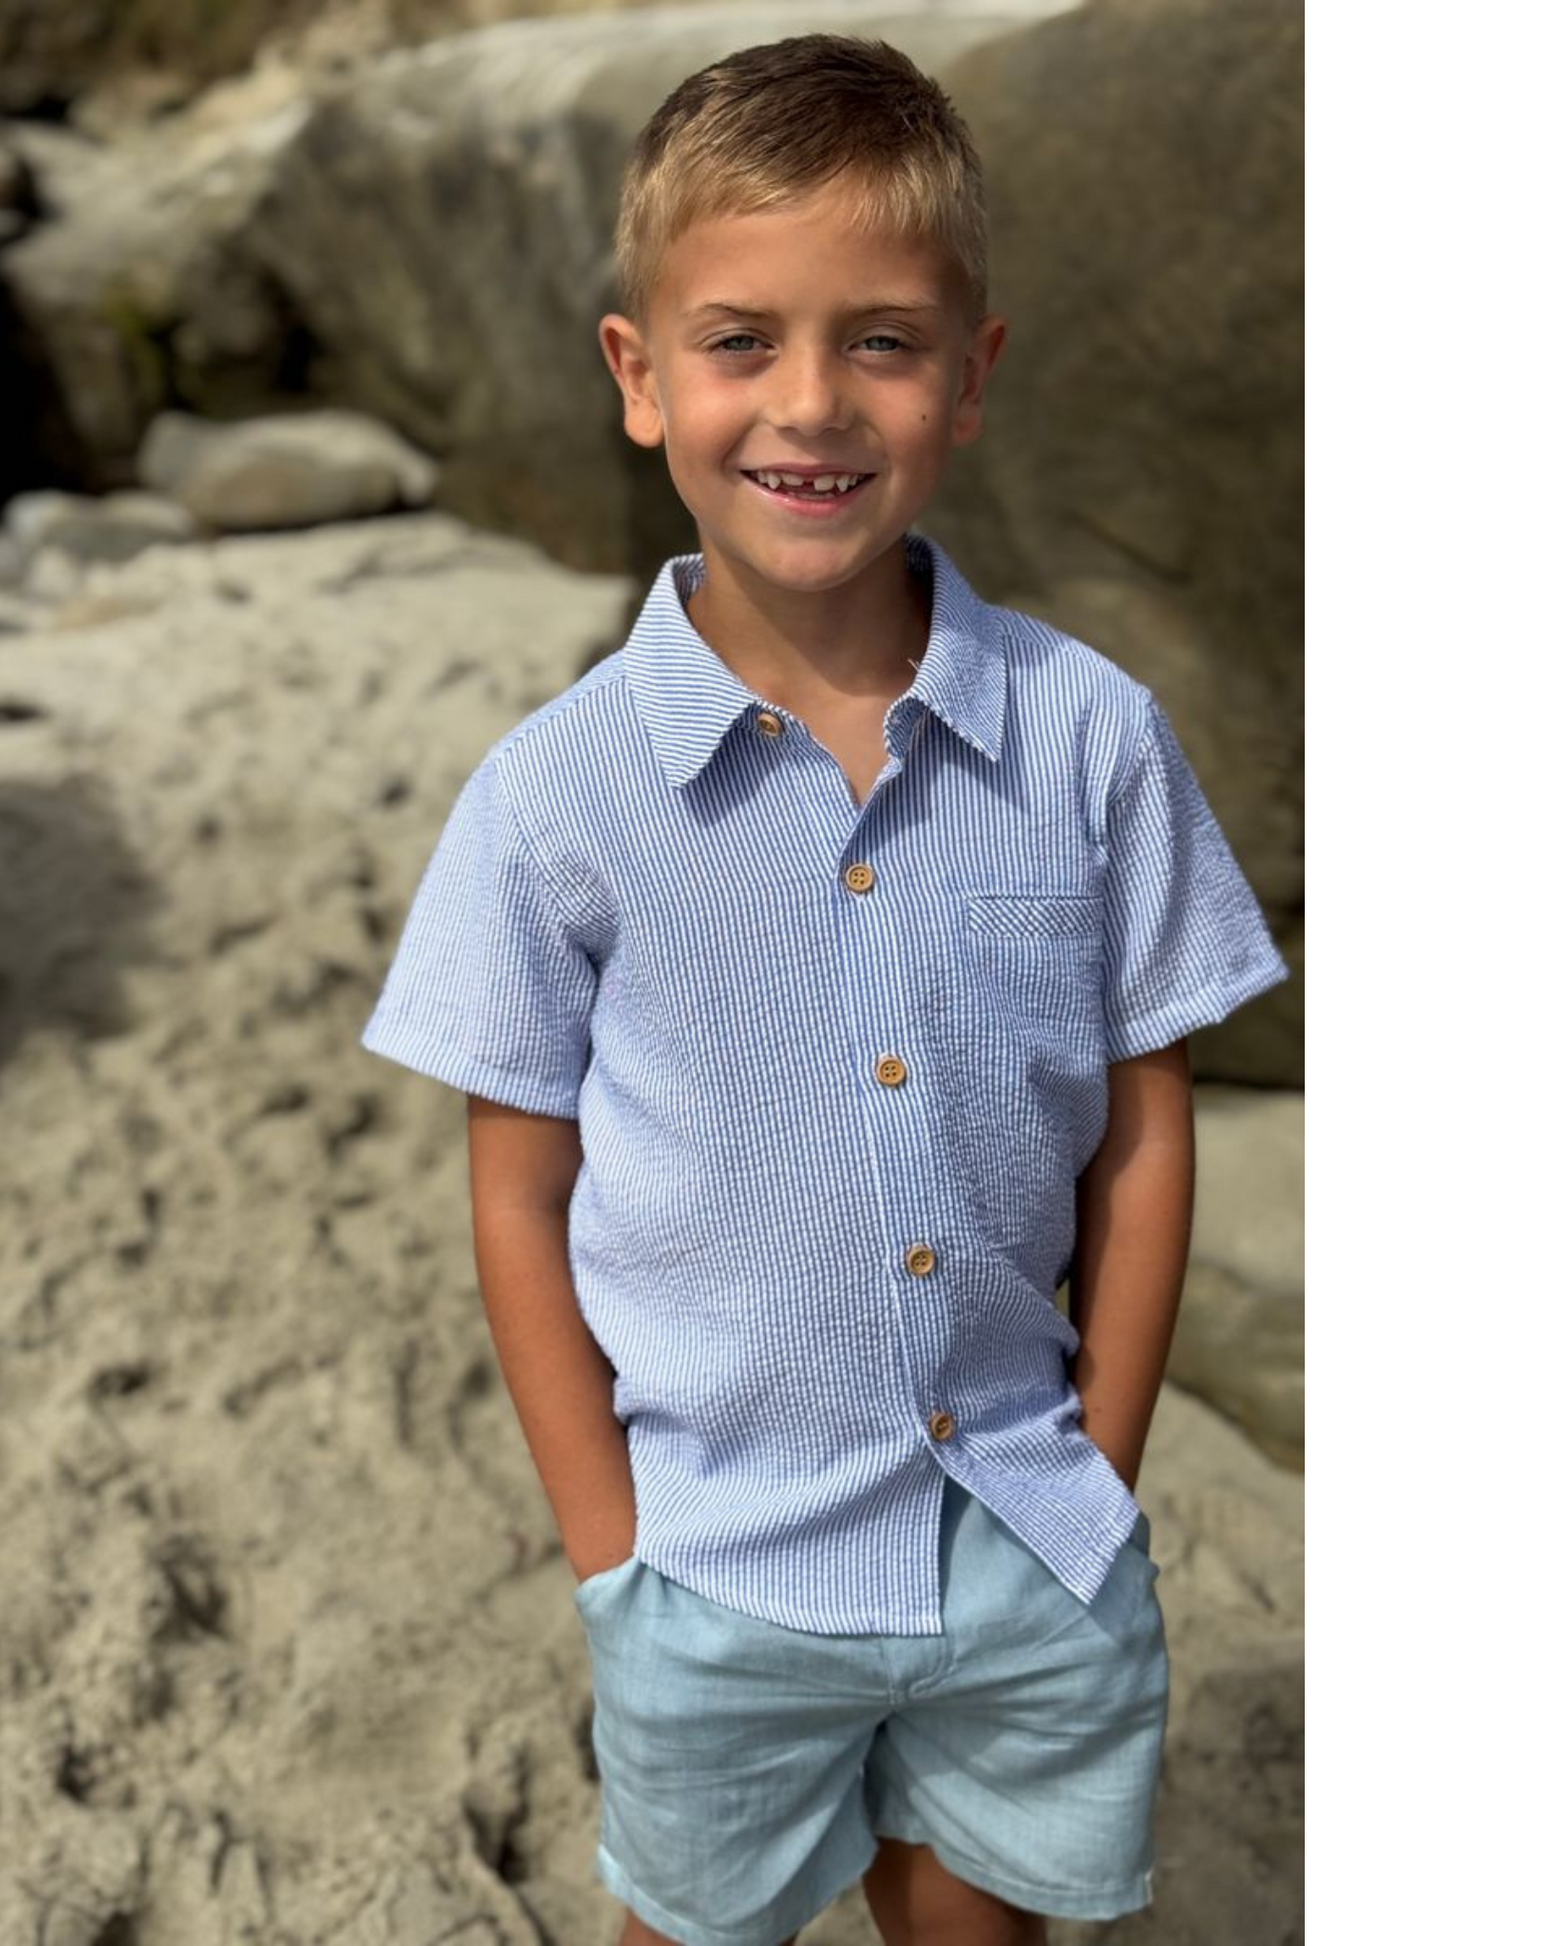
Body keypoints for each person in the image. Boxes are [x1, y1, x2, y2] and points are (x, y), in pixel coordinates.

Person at [361, 33, 1288, 1946]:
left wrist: (1099, 1468)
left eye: (880, 340)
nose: (809, 401)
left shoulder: (1092, 739)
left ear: (971, 375)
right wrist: (613, 1554)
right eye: (738, 340)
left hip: (1019, 1537)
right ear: (637, 375)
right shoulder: (553, 797)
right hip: (710, 1569)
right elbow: (517, 1195)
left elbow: (1143, 1127)